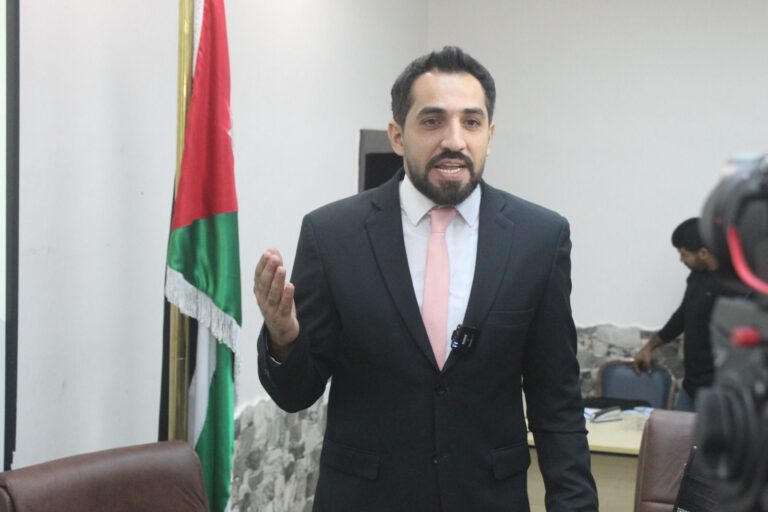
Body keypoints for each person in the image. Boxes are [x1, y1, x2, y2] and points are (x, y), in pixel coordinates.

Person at [254, 46, 598, 511]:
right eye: (433, 121)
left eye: (471, 122)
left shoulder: (539, 238)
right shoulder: (332, 234)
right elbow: (296, 394)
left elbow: (557, 402)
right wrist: (285, 339)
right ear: (398, 136)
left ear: (490, 135)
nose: (454, 140)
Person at [632, 217, 723, 411]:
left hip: (719, 396)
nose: (681, 260)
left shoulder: (735, 286)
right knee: (677, 430)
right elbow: (683, 315)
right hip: (691, 387)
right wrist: (649, 347)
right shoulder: (697, 276)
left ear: (703, 253)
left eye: (684, 254)